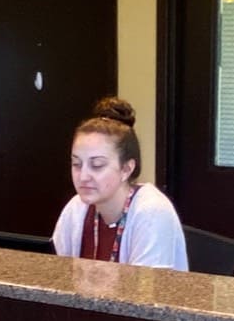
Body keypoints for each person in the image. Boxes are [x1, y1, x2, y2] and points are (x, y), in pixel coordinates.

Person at [53, 97, 188, 271]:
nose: (83, 176)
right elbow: (56, 275)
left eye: (97, 165)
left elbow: (145, 294)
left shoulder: (152, 211)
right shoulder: (76, 208)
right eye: (77, 164)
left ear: (126, 169)